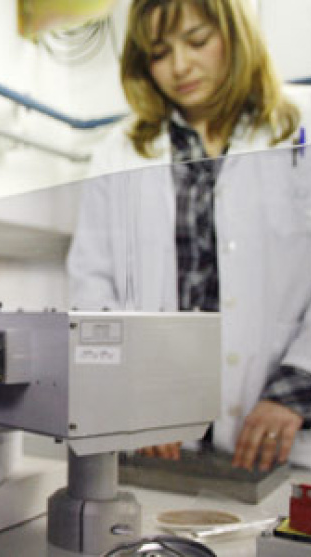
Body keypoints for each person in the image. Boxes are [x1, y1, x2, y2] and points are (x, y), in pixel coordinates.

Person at [67, 0, 311, 471]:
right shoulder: (119, 152)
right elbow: (92, 288)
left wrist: (295, 386)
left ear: (235, 35)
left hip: (285, 436)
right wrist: (136, 387)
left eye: (197, 41)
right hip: (164, 440)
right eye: (159, 53)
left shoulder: (301, 126)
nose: (180, 66)